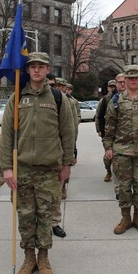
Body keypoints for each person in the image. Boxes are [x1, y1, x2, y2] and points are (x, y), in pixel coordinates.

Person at [0, 52, 75, 274]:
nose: (36, 70)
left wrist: (67, 164)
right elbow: (7, 135)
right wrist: (7, 168)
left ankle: (43, 257)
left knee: (45, 215)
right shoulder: (17, 98)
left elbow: (68, 132)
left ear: (47, 69)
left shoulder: (57, 98)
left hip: (48, 170)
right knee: (25, 216)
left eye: (41, 66)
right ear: (27, 69)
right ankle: (28, 257)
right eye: (32, 66)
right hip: (21, 168)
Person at [103, 64, 138, 235]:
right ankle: (125, 218)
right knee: (123, 187)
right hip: (121, 151)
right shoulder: (116, 101)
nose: (133, 80)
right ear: (125, 80)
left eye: (136, 77)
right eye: (130, 77)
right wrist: (108, 147)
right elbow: (109, 126)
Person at [51, 77, 78, 237]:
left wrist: (71, 153)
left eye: (58, 85)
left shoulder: (64, 100)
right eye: (55, 85)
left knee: (55, 193)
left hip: (57, 154)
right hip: (33, 158)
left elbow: (71, 127)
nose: (58, 87)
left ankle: (54, 223)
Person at [95, 79, 117, 182]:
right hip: (107, 132)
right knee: (108, 155)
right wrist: (99, 130)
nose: (113, 88)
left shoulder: (121, 98)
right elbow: (98, 116)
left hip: (119, 132)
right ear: (108, 88)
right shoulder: (104, 100)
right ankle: (108, 171)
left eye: (114, 86)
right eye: (111, 86)